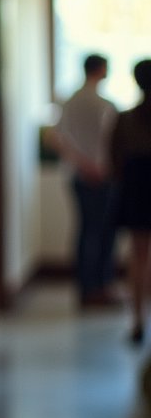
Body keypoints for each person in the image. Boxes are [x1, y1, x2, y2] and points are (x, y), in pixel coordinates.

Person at [52, 53, 119, 307]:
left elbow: (56, 138)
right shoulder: (104, 105)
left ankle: (86, 288)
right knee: (102, 233)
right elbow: (113, 142)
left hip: (78, 175)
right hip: (101, 176)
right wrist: (95, 166)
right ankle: (100, 287)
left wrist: (80, 163)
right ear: (101, 70)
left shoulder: (70, 102)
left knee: (86, 231)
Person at [111, 59, 151, 343]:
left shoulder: (126, 119)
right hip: (138, 185)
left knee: (138, 257)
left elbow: (114, 160)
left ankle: (138, 319)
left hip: (137, 188)